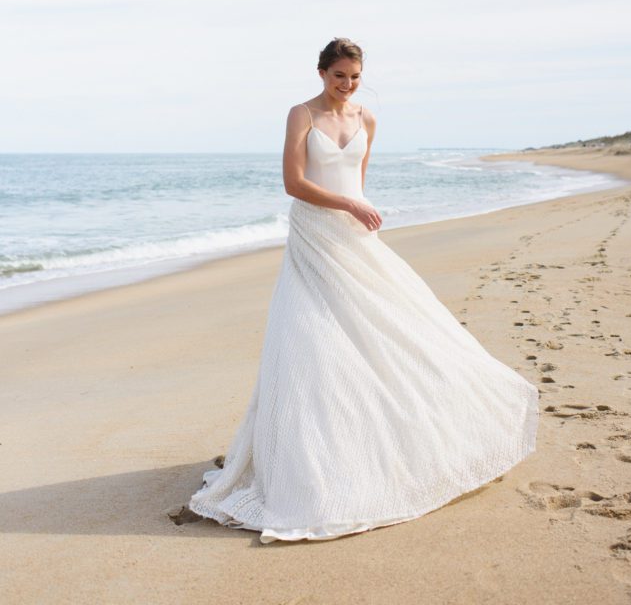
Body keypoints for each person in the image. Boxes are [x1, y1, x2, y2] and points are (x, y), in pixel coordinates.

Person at [181, 37, 539, 543]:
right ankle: (308, 463)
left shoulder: (367, 119)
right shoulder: (301, 115)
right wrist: (348, 207)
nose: (346, 85)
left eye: (354, 77)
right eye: (338, 76)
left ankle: (392, 440)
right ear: (321, 73)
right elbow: (294, 182)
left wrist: (358, 212)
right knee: (311, 339)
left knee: (390, 328)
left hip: (353, 237)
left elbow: (359, 183)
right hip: (314, 234)